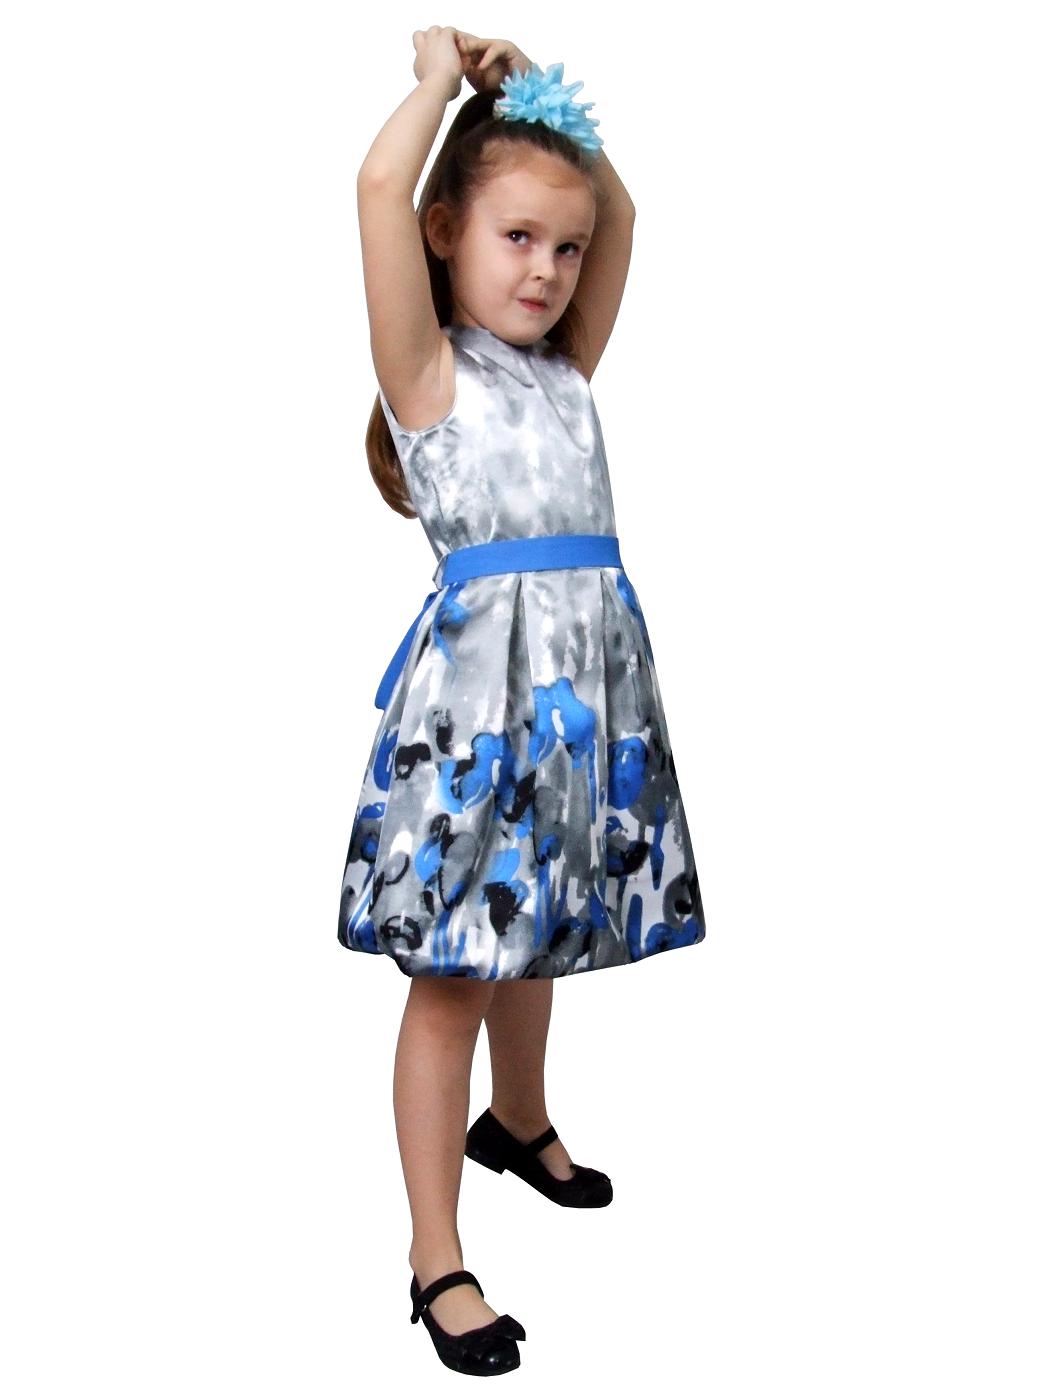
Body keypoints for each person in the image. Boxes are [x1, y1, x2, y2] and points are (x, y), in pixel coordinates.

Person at [338, 28, 707, 1376]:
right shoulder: (430, 376)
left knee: (536, 934)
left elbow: (624, 216)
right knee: (454, 969)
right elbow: (377, 190)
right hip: (477, 718)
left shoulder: (563, 369)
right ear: (447, 236)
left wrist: (541, 92)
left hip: (581, 701)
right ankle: (435, 1253)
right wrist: (444, 86)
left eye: (564, 247)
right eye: (516, 239)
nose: (548, 269)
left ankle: (520, 1120)